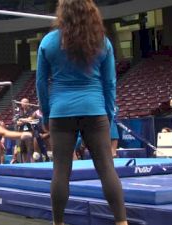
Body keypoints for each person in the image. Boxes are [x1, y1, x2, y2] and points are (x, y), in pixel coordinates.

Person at [35, 1, 127, 225]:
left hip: (61, 112)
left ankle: (58, 222)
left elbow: (41, 83)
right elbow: (110, 83)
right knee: (106, 167)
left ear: (62, 14)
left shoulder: (48, 42)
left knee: (61, 170)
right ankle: (121, 222)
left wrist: (47, 116)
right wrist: (108, 114)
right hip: (94, 110)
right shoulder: (102, 42)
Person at [14, 98, 35, 163]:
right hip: (21, 133)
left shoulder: (31, 111)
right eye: (22, 103)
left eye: (25, 102)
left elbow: (30, 119)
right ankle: (24, 164)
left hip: (29, 132)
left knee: (30, 150)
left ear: (28, 103)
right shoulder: (19, 111)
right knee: (22, 150)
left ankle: (33, 165)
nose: (23, 104)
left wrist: (21, 120)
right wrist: (23, 120)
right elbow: (17, 122)